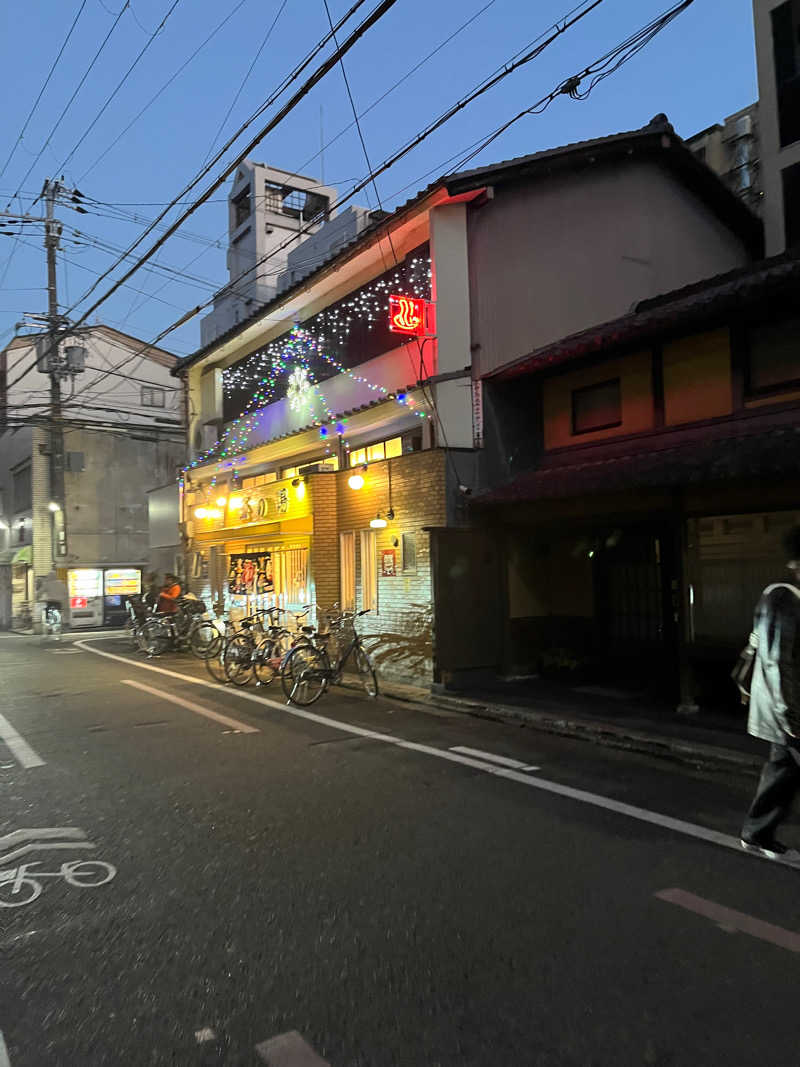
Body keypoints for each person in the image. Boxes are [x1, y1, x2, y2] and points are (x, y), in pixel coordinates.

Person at [740, 525, 800, 861]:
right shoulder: (784, 597)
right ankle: (756, 832)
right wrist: (789, 714)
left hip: (787, 706)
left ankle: (757, 833)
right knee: (783, 770)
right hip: (787, 707)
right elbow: (778, 661)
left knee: (783, 771)